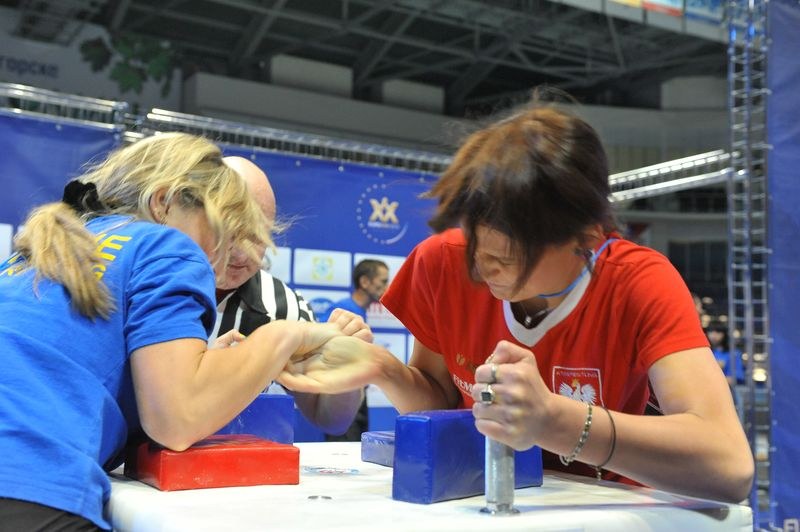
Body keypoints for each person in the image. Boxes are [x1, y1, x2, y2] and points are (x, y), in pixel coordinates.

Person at [278, 100, 754, 503]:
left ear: (586, 237)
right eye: (476, 243)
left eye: (509, 253)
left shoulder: (638, 281)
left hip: (604, 510)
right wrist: (383, 369)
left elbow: (728, 465)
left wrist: (555, 420)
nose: (484, 268)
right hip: (481, 503)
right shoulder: (444, 262)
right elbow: (443, 400)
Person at [0, 133, 350, 531]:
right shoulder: (166, 244)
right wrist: (283, 337)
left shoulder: (38, 255)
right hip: (29, 488)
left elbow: (64, 367)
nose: (227, 250)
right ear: (163, 203)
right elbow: (175, 420)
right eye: (224, 227)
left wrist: (205, 366)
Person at [212, 156, 365, 434]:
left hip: (245, 471)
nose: (242, 252)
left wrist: (351, 370)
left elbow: (331, 420)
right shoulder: (148, 284)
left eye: (258, 234)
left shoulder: (286, 308)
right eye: (230, 230)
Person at [320, 258, 389, 441]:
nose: (387, 287)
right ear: (364, 282)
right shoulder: (342, 311)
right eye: (383, 281)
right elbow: (320, 349)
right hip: (341, 396)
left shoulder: (359, 311)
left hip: (357, 394)